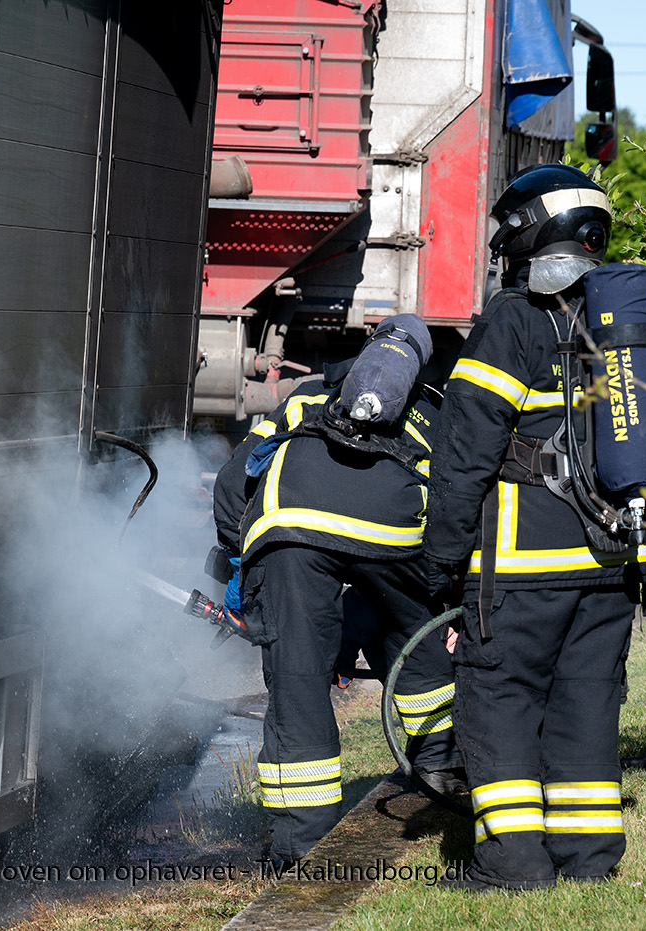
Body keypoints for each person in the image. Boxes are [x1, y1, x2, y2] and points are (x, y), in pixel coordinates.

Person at [424, 164, 646, 891]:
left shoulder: (514, 318)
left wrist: (443, 562)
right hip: (610, 565)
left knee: (501, 697)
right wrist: (637, 531)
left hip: (519, 568)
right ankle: (588, 861)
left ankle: (511, 868)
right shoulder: (632, 332)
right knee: (587, 701)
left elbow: (466, 450)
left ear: (530, 232)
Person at [212, 314, 462, 868]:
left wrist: (240, 562)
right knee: (413, 641)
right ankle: (442, 768)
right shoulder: (435, 411)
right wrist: (447, 597)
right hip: (395, 537)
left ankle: (301, 846)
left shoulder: (305, 395)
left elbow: (236, 483)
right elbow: (456, 498)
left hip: (289, 534)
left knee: (298, 684)